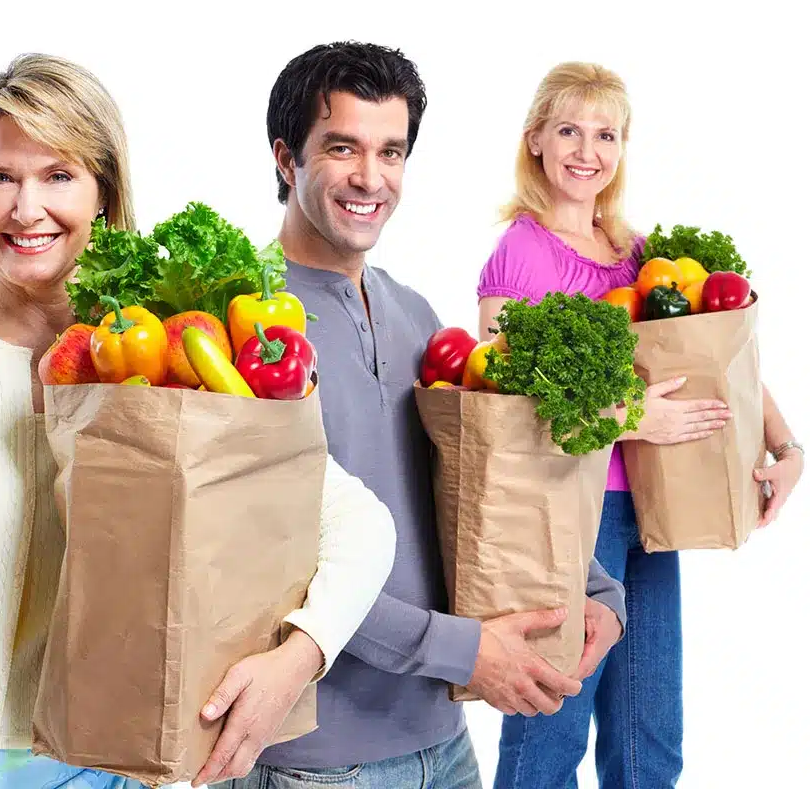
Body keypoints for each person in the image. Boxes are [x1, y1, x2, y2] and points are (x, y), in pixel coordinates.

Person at [0, 52, 397, 789]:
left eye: (58, 176)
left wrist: (297, 659)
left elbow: (359, 526)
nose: (25, 208)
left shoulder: (173, 353)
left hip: (102, 763)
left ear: (104, 193)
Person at [207, 42, 627, 789]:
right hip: (316, 761)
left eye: (391, 152)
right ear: (285, 158)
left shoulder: (413, 314)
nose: (371, 178)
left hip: (444, 741)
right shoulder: (237, 327)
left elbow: (480, 486)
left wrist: (592, 586)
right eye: (342, 148)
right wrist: (463, 652)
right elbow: (276, 563)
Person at [476, 61, 806, 788]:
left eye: (606, 134)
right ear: (535, 140)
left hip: (654, 508)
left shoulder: (636, 251)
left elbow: (722, 354)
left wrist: (788, 448)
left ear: (623, 148)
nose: (586, 151)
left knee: (649, 733)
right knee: (550, 728)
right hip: (568, 514)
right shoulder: (519, 254)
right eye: (568, 129)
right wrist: (631, 418)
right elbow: (500, 401)